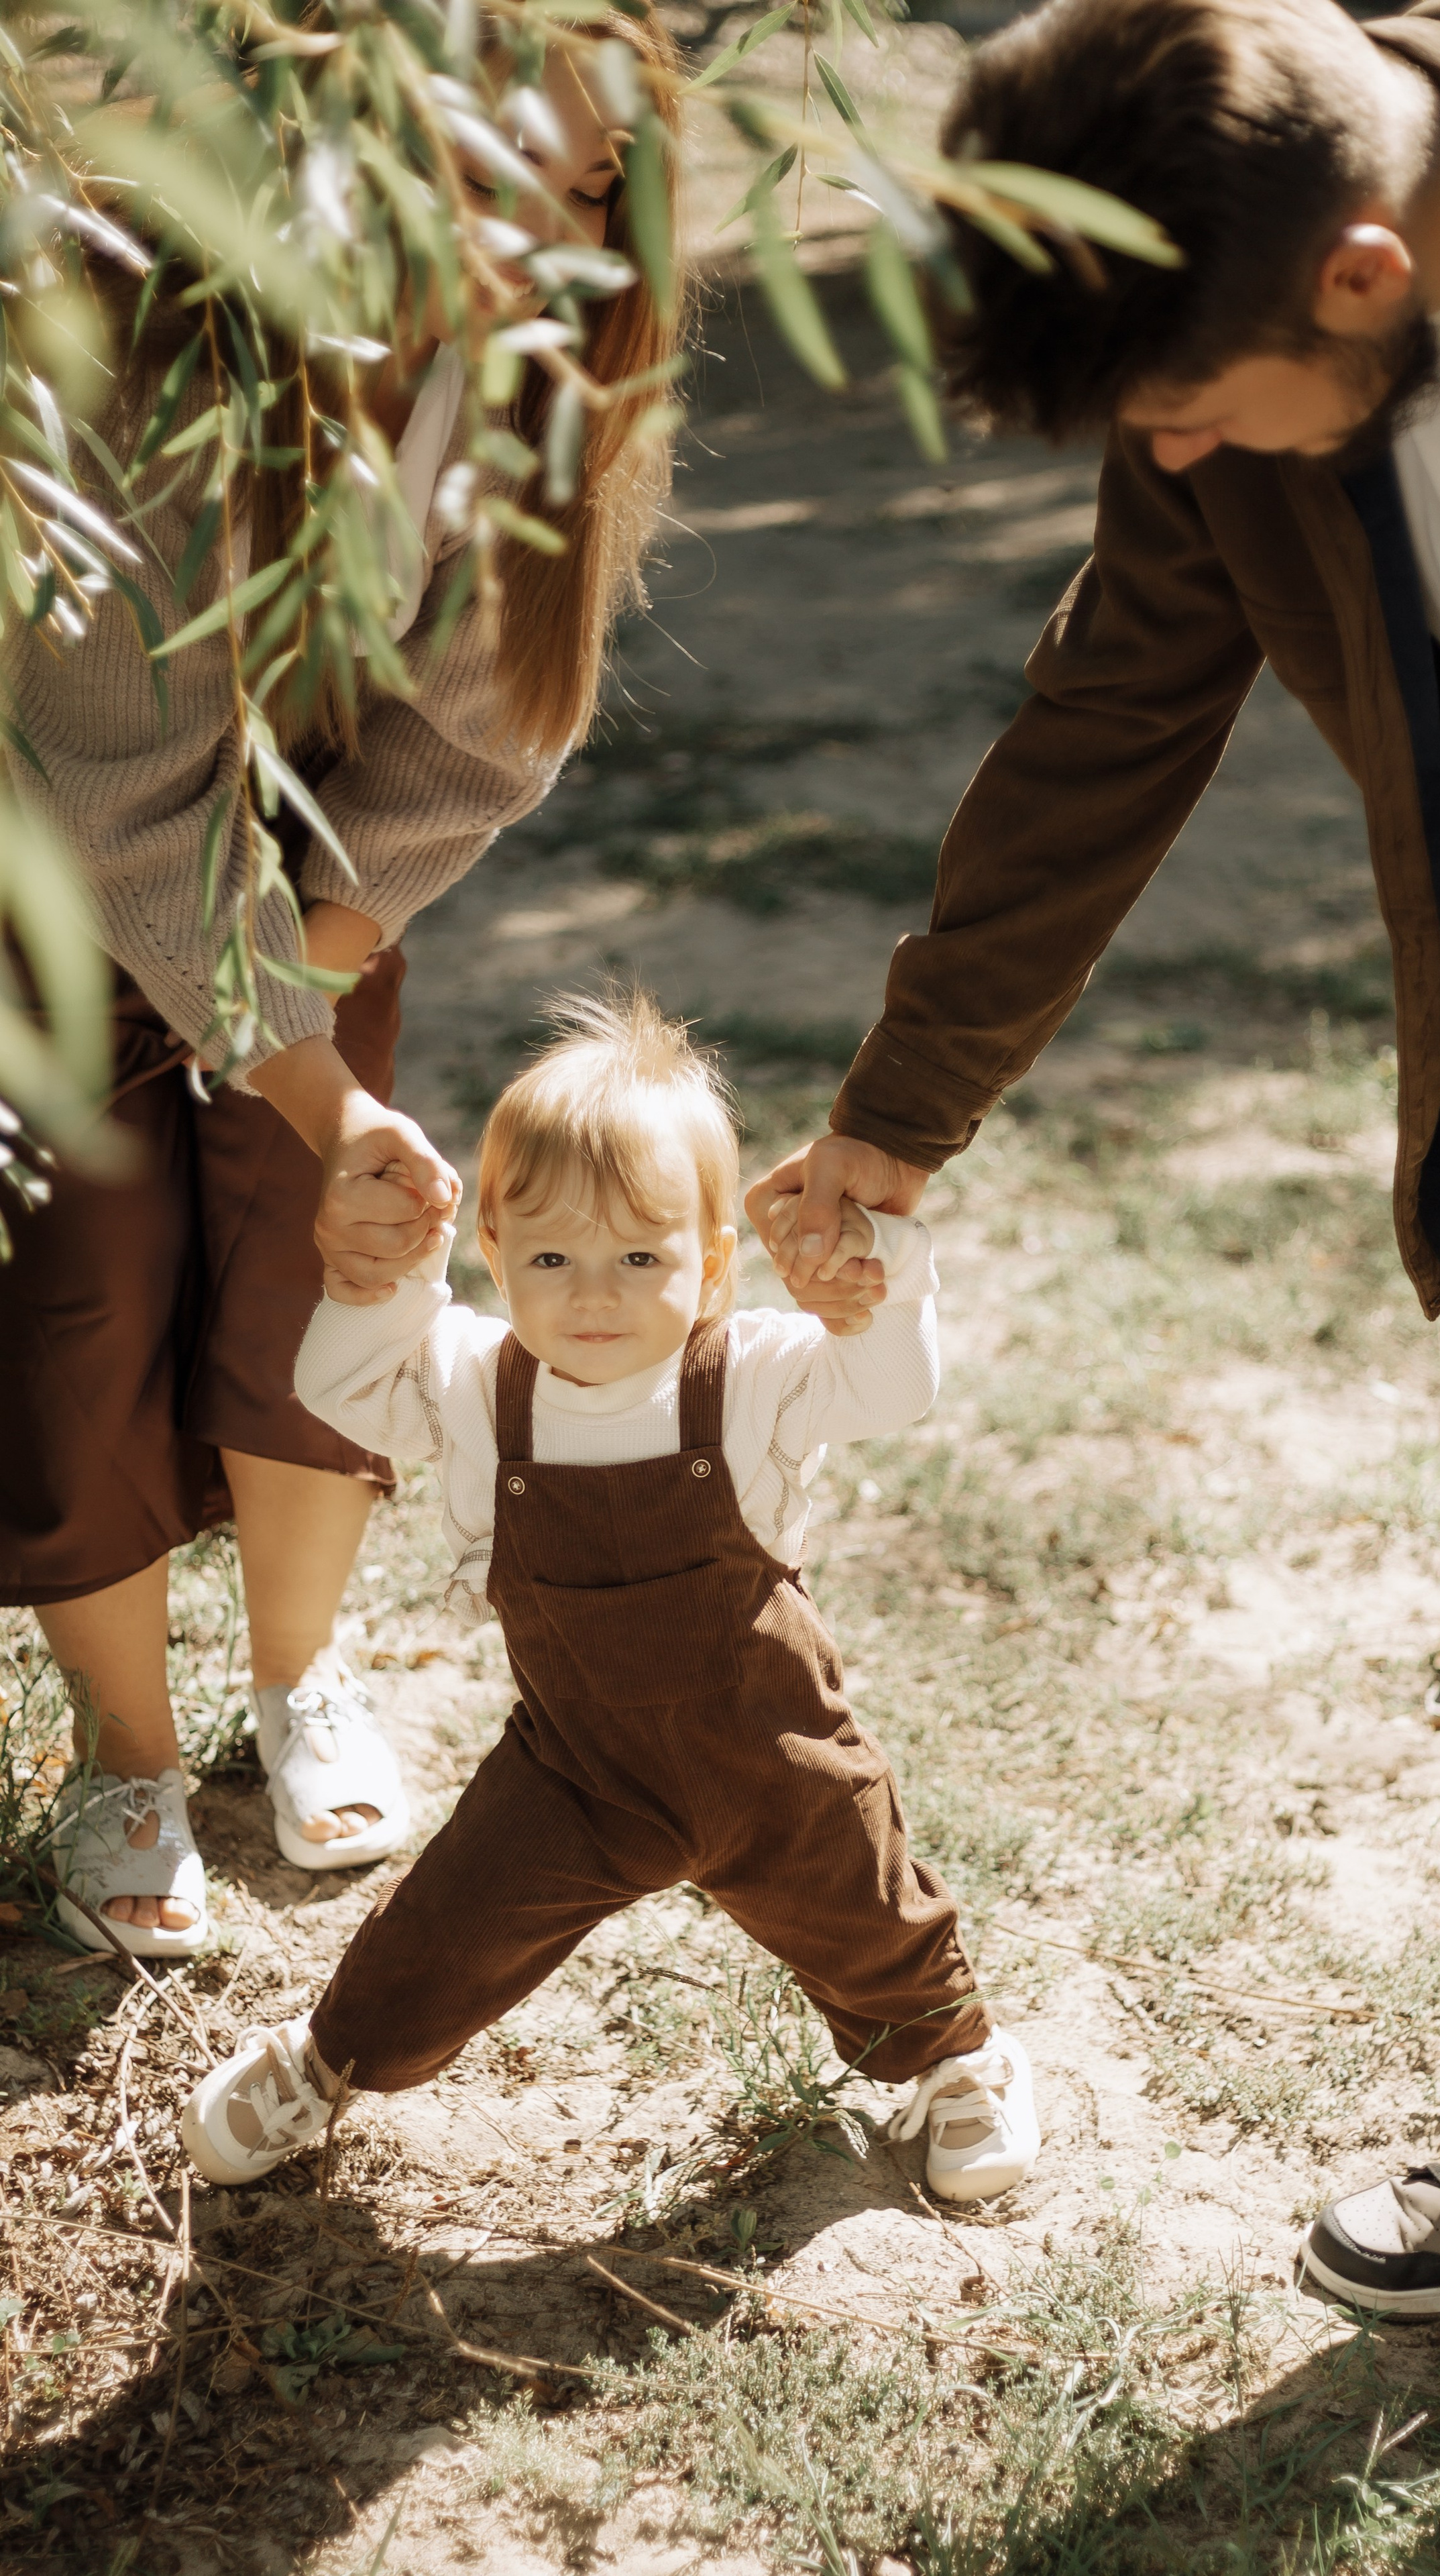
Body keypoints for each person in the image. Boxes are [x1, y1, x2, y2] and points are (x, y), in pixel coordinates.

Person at [747, 0, 1440, 2559]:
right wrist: (895, 1115)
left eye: (1183, 404)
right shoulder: (1237, 358)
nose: (1164, 458)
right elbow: (1108, 720)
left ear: (1376, 264)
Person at [4, 17, 685, 1957]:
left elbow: (484, 724)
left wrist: (306, 991)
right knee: (83, 1293)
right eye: (492, 177)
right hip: (49, 877)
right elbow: (117, 774)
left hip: (309, 887)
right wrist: (293, 1066)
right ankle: (122, 1751)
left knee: (329, 1260)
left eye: (585, 193)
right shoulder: (134, 316)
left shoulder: (551, 372)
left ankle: (299, 1681)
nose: (548, 234)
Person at [176, 992, 1040, 2206]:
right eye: (550, 1259)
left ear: (715, 1261)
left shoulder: (753, 1374)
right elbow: (337, 1384)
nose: (594, 1295)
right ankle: (328, 2062)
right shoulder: (476, 1381)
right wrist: (380, 1284)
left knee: (870, 1917)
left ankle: (958, 2060)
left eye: (642, 1258)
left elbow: (891, 1385)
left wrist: (881, 1275)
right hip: (574, 1768)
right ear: (488, 1249)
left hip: (771, 1753)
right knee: (446, 1927)